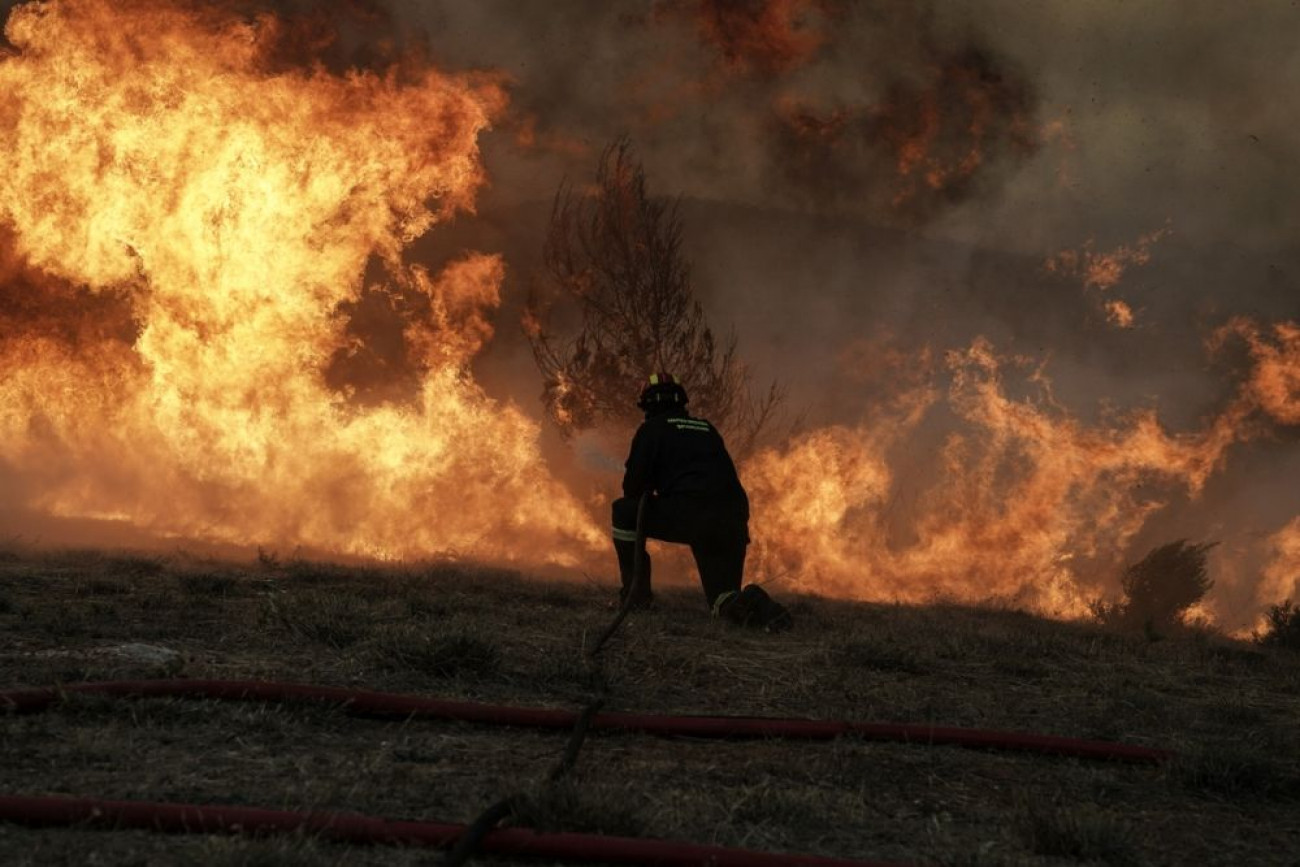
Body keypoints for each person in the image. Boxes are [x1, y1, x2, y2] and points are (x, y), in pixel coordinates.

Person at [611, 373, 792, 631]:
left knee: (623, 511)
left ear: (647, 405)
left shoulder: (651, 429)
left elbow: (633, 490)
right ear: (682, 402)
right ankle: (757, 605)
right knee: (722, 602)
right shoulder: (707, 428)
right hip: (733, 521)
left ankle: (636, 598)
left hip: (692, 515)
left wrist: (652, 484)